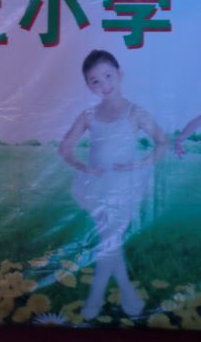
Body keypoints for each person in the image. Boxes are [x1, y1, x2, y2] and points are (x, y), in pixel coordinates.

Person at [58, 49, 168, 320]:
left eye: (108, 76)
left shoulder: (135, 112)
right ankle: (125, 294)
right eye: (95, 81)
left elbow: (162, 142)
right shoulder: (89, 114)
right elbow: (65, 147)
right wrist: (83, 167)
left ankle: (97, 297)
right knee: (111, 240)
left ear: (120, 74)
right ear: (88, 85)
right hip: (95, 186)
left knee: (110, 239)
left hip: (125, 186)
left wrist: (140, 164)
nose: (104, 85)